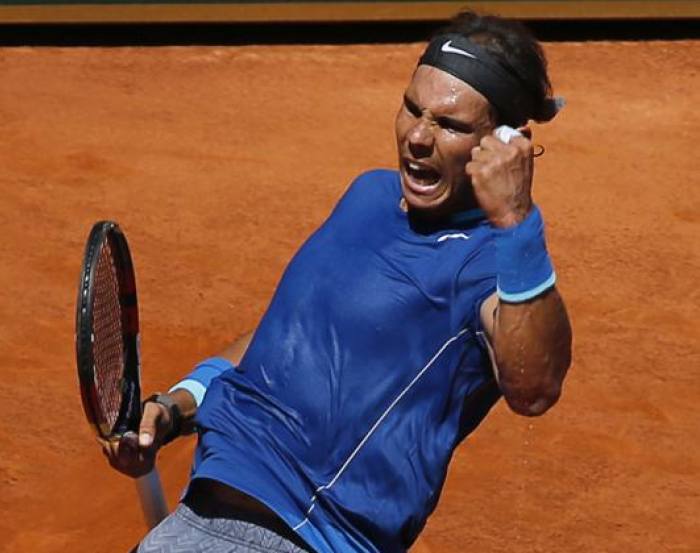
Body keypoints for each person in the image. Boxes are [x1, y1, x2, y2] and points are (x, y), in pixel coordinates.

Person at [99, 11, 572, 553]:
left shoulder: (489, 263)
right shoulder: (369, 194)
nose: (418, 137)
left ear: (507, 144)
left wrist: (516, 222)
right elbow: (285, 336)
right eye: (412, 109)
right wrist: (177, 405)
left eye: (450, 125)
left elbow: (535, 387)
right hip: (199, 518)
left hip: (298, 537)